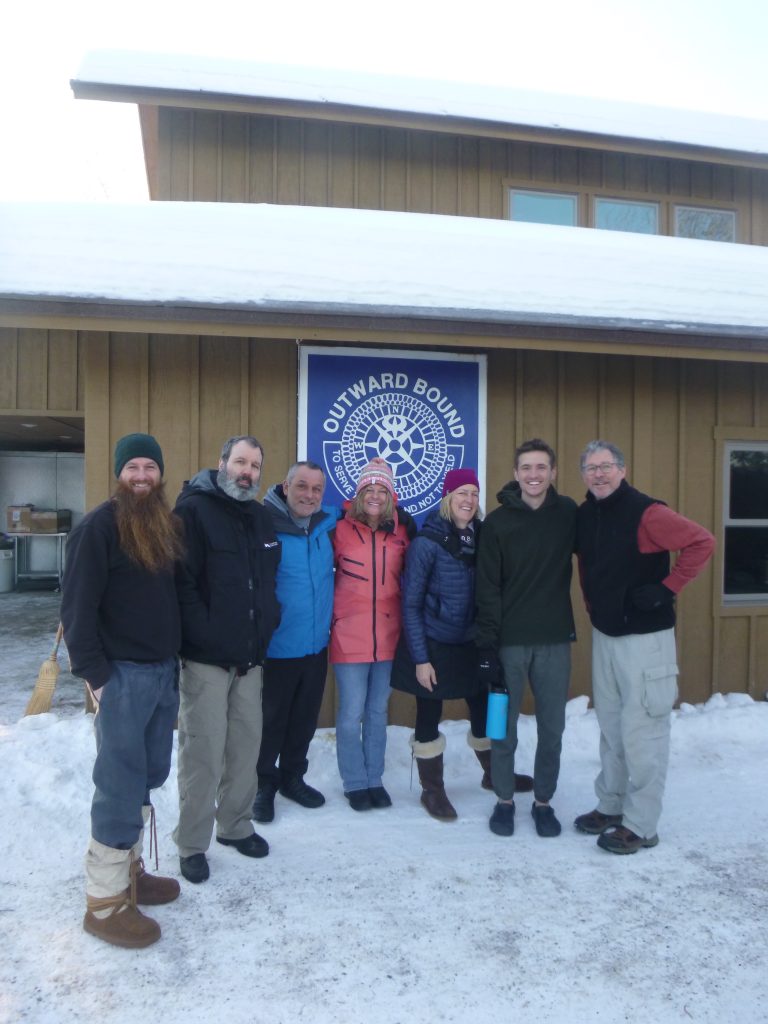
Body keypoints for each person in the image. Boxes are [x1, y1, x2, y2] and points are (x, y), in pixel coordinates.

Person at [61, 432, 183, 949]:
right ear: (119, 473)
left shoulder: (165, 526)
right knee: (118, 782)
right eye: (132, 466)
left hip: (159, 673)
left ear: (159, 475)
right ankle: (105, 902)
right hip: (121, 677)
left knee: (148, 773)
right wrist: (97, 677)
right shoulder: (96, 528)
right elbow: (76, 609)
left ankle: (129, 872)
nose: (140, 476)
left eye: (149, 467)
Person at [574, 440, 714, 854]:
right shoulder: (586, 515)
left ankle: (642, 824)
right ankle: (612, 805)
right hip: (607, 635)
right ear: (583, 474)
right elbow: (586, 566)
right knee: (612, 726)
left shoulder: (648, 512)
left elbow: (701, 542)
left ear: (622, 469)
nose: (599, 474)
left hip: (646, 641)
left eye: (607, 466)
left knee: (644, 732)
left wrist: (667, 587)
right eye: (591, 468)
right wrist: (593, 605)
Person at [172, 435, 281, 883]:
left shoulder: (260, 517)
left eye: (254, 465)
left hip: (250, 659)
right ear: (221, 463)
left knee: (244, 748)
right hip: (207, 662)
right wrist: (208, 636)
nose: (247, 472)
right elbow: (183, 586)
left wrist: (269, 622)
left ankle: (235, 826)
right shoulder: (193, 512)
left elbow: (265, 583)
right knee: (203, 753)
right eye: (240, 462)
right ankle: (192, 844)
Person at [475, 439, 577, 839]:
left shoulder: (568, 513)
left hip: (553, 640)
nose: (534, 475)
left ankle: (543, 802)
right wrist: (487, 643)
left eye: (541, 467)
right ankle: (503, 800)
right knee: (502, 727)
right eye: (526, 468)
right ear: (516, 474)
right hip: (509, 643)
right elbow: (487, 587)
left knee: (552, 728)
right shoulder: (498, 523)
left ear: (552, 472)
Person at [391, 468, 492, 821]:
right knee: (429, 712)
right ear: (447, 497)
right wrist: (421, 658)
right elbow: (411, 603)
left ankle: (495, 773)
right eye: (461, 493)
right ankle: (432, 791)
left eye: (474, 494)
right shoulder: (426, 543)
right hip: (433, 643)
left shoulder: (484, 538)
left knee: (488, 706)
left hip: (472, 642)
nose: (468, 500)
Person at [252, 461, 338, 823]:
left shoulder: (326, 524)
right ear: (286, 487)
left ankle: (292, 777)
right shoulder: (264, 525)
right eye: (302, 486)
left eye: (316, 489)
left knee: (304, 719)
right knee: (270, 722)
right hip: (278, 647)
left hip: (317, 646)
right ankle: (262, 785)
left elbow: (371, 508)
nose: (309, 495)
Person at [330, 458, 411, 811]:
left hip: (389, 638)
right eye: (369, 490)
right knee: (350, 714)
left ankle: (375, 778)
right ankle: (354, 781)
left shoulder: (401, 533)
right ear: (359, 495)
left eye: (382, 490)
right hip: (349, 636)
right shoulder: (339, 530)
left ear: (391, 496)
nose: (375, 496)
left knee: (378, 711)